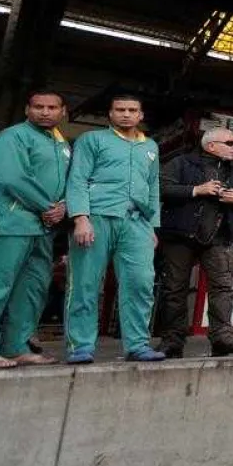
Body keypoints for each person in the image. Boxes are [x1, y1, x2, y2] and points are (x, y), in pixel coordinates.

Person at [0, 90, 70, 368]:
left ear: (63, 111)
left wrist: (65, 206)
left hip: (43, 228)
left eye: (51, 107)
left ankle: (15, 347)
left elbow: (70, 182)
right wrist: (48, 206)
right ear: (27, 109)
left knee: (32, 290)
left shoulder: (61, 145)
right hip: (9, 221)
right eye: (38, 107)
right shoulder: (11, 137)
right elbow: (13, 177)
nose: (45, 112)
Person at [64, 94, 164, 364]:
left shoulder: (150, 146)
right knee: (85, 282)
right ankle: (80, 346)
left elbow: (153, 187)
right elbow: (78, 179)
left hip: (137, 222)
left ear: (141, 115)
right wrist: (80, 218)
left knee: (140, 283)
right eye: (120, 110)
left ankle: (137, 345)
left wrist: (152, 226)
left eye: (132, 110)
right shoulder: (92, 140)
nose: (126, 114)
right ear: (110, 114)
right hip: (97, 216)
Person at [156, 126, 233, 359]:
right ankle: (172, 341)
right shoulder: (182, 163)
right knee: (174, 289)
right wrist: (196, 190)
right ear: (210, 145)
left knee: (222, 288)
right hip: (180, 235)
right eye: (229, 143)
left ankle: (222, 339)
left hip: (219, 237)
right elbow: (161, 188)